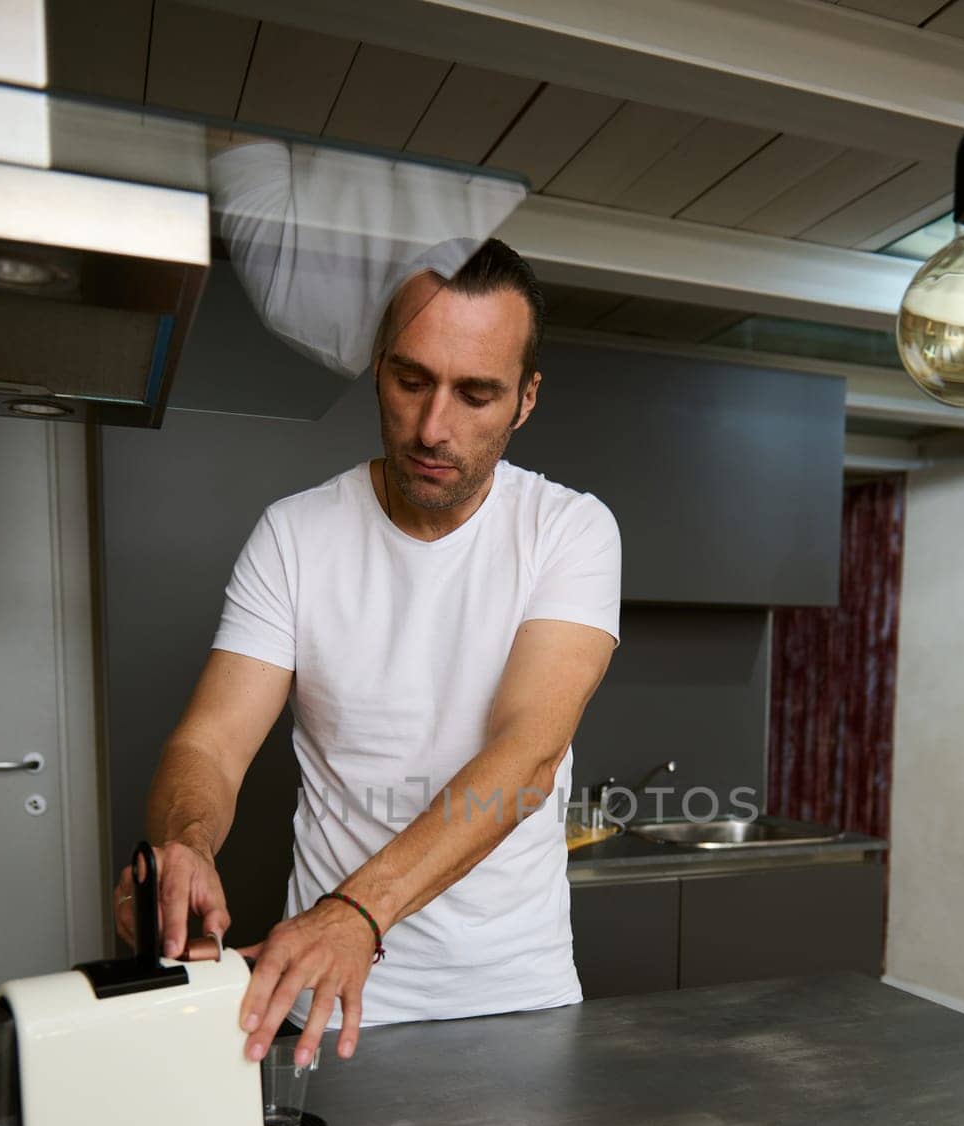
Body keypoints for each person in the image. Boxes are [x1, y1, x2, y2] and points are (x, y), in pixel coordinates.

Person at [115, 239, 621, 1067]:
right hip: (316, 992)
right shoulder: (296, 534)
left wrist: (356, 913)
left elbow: (526, 758)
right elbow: (210, 742)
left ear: (526, 399)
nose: (432, 427)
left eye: (476, 394)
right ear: (378, 367)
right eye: (411, 380)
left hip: (511, 994)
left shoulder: (568, 531)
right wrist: (188, 842)